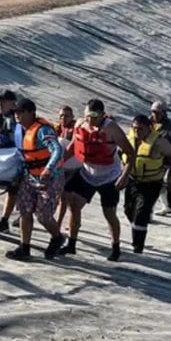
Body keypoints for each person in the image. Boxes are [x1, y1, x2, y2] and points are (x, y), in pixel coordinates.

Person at [58, 99, 136, 261]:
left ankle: (115, 247)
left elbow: (131, 153)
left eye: (93, 116)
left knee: (109, 213)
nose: (90, 119)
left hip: (109, 177)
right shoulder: (81, 124)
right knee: (74, 204)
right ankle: (71, 244)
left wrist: (124, 175)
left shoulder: (111, 129)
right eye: (87, 115)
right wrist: (58, 164)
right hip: (87, 173)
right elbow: (73, 147)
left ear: (102, 114)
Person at [6, 97, 66, 261]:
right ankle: (24, 247)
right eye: (15, 113)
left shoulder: (43, 130)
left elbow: (57, 150)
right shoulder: (20, 129)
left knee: (43, 215)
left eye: (21, 112)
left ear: (31, 112)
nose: (17, 116)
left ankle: (57, 237)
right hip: (29, 176)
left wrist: (48, 169)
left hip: (50, 177)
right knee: (24, 210)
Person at [121, 114, 171, 253]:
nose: (137, 132)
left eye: (141, 129)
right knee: (128, 210)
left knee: (142, 212)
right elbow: (123, 157)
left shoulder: (159, 142)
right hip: (133, 180)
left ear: (149, 128)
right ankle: (136, 232)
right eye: (135, 128)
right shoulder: (129, 139)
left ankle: (138, 246)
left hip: (152, 183)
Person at [0, 88, 22, 233]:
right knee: (11, 189)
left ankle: (5, 219)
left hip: (18, 158)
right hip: (1, 157)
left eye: (4, 101)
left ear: (12, 103)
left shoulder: (19, 119)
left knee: (14, 190)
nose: (0, 104)